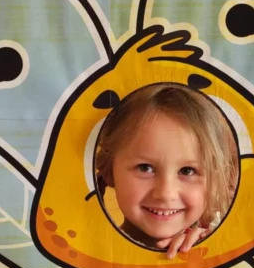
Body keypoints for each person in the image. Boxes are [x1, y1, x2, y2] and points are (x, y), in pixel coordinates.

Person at [95, 84, 238, 259]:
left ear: (214, 180)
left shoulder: (225, 254)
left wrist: (213, 253)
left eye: (187, 171)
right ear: (109, 171)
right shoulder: (90, 256)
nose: (165, 193)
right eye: (145, 168)